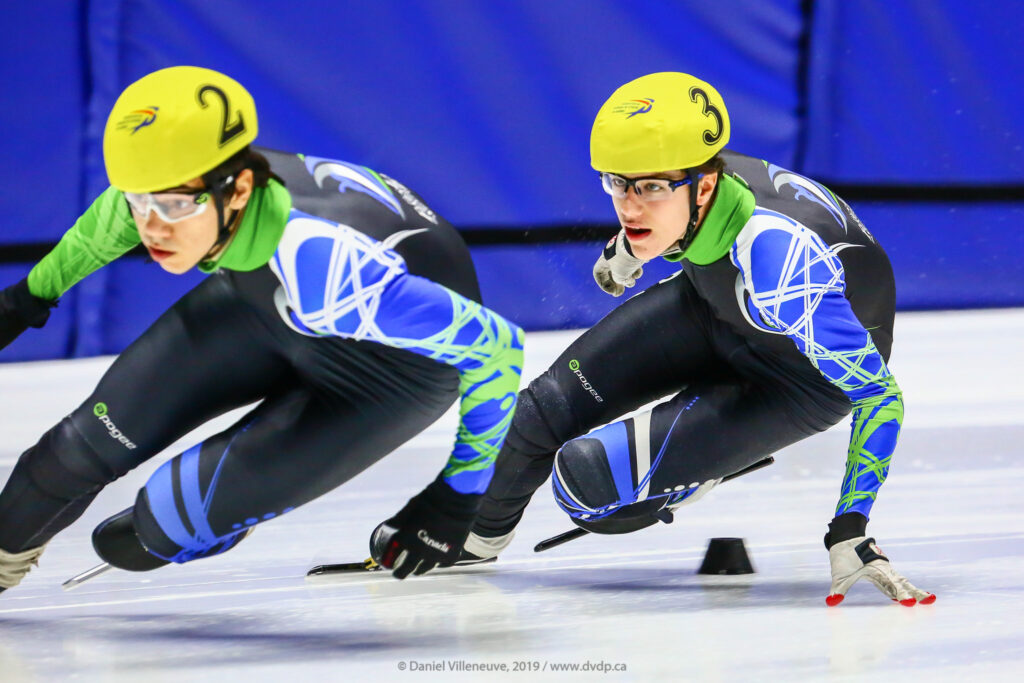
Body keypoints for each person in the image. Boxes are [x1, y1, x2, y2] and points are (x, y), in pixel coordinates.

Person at [0, 66, 523, 592]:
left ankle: (228, 507)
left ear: (241, 188)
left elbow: (498, 349)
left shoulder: (325, 265)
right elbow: (101, 230)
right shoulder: (174, 185)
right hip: (268, 307)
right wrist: (24, 301)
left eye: (176, 205)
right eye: (139, 202)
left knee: (159, 525)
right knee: (71, 453)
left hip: (388, 374)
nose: (152, 227)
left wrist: (457, 498)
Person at [459, 72, 934, 607]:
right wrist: (625, 251)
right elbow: (657, 213)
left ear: (704, 185)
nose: (629, 206)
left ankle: (701, 468)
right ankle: (473, 541)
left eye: (650, 188)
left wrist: (850, 526)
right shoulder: (695, 187)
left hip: (795, 382)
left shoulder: (780, 263)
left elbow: (880, 395)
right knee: (540, 412)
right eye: (617, 183)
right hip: (714, 306)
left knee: (584, 482)